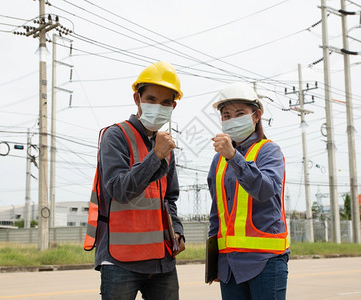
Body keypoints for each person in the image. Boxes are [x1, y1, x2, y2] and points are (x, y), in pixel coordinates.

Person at [84, 61, 186, 300]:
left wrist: (177, 230)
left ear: (173, 106)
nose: (157, 107)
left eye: (165, 103)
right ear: (137, 99)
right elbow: (119, 190)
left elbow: (169, 197)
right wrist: (156, 155)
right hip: (121, 260)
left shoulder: (164, 145)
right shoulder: (115, 136)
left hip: (161, 260)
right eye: (150, 99)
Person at [207, 82, 290, 300]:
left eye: (240, 113)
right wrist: (213, 261)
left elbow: (265, 190)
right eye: (226, 115)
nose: (232, 119)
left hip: (265, 261)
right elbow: (217, 212)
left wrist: (234, 157)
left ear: (256, 116)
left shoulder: (268, 151)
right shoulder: (219, 160)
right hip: (229, 265)